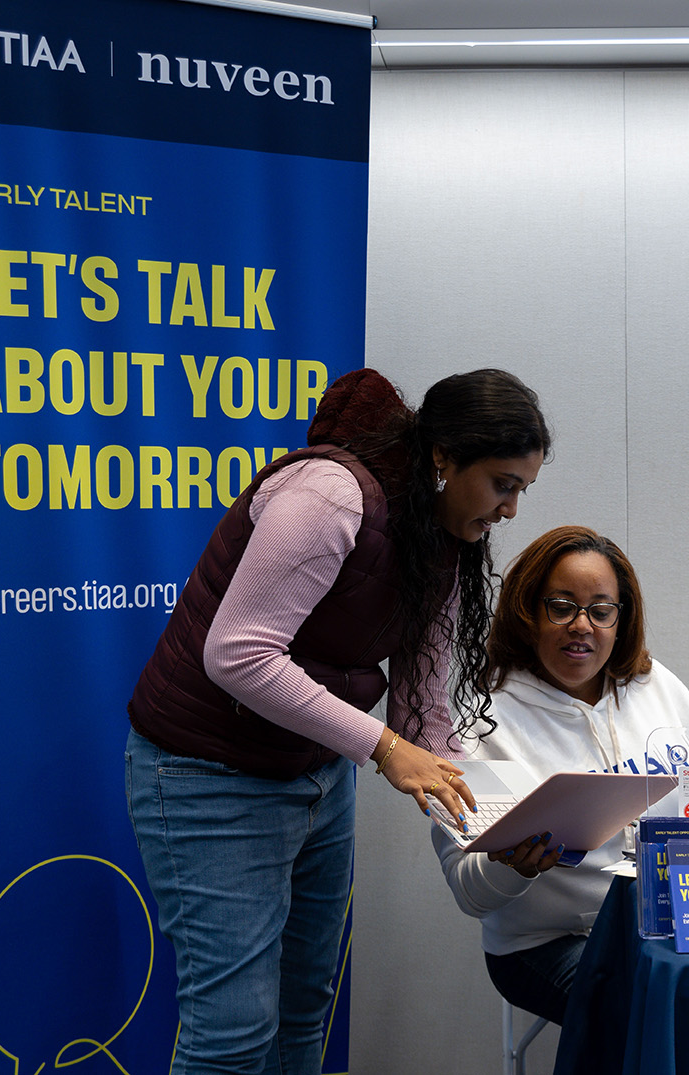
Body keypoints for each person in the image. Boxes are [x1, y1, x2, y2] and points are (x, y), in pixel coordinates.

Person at [125, 366, 550, 1074]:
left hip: (313, 775)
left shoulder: (439, 539)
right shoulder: (327, 496)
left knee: (302, 1010)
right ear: (443, 457)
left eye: (521, 491)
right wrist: (381, 747)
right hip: (204, 772)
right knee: (232, 1028)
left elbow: (422, 715)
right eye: (502, 483)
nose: (509, 510)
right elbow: (236, 653)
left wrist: (495, 822)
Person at [433, 525, 689, 1025]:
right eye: (561, 607)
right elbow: (469, 893)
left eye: (601, 611)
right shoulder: (480, 720)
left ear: (620, 621)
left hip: (674, 924)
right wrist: (513, 866)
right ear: (528, 613)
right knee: (654, 1013)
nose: (582, 625)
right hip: (545, 944)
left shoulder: (658, 685)